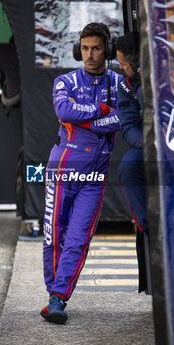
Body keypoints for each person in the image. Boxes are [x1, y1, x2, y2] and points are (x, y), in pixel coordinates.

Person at [41, 22, 121, 324]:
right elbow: (64, 112)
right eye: (85, 48)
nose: (90, 54)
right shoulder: (65, 81)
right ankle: (54, 292)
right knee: (53, 234)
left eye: (96, 48)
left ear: (108, 49)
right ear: (78, 49)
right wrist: (101, 111)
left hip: (97, 170)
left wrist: (86, 118)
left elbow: (123, 119)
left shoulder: (119, 83)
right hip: (64, 164)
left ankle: (57, 298)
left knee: (78, 238)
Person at [116, 32, 149, 293]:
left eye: (124, 64)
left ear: (138, 63)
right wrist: (149, 145)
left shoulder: (170, 76)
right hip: (149, 146)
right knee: (128, 166)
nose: (120, 68)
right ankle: (148, 227)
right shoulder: (126, 85)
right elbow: (128, 127)